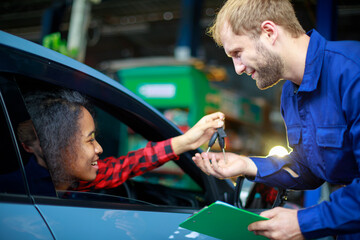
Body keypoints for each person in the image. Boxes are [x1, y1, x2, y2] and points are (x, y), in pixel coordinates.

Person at [192, 0, 360, 239]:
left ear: (269, 32)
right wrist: (246, 165)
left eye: (238, 53)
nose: (237, 69)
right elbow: (309, 167)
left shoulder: (353, 72)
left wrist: (303, 223)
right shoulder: (290, 96)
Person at [21, 89, 225, 193]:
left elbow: (128, 165)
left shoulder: (72, 182)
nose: (99, 148)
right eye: (89, 140)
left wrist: (187, 141)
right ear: (44, 145)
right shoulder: (18, 192)